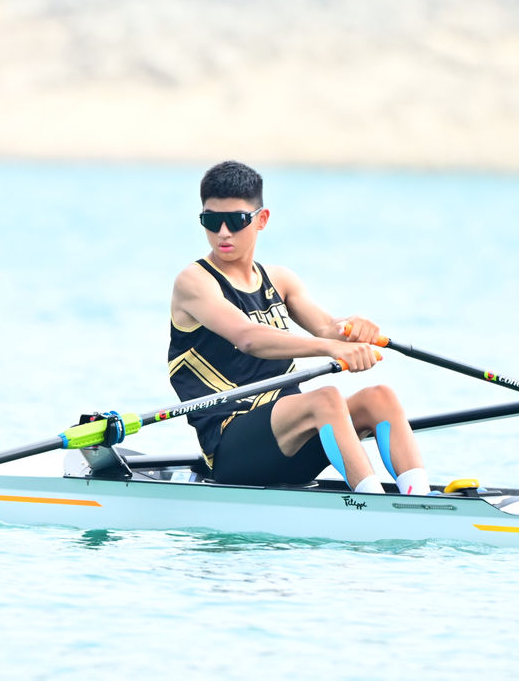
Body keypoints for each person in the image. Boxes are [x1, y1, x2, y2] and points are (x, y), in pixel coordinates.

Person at [168, 160, 429, 495]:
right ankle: (371, 502)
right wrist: (332, 348)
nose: (222, 232)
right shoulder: (194, 282)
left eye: (235, 220)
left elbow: (328, 327)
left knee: (380, 398)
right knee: (326, 399)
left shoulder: (280, 280)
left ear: (261, 219)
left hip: (290, 438)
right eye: (211, 220)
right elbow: (248, 338)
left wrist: (354, 329)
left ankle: (419, 498)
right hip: (231, 446)